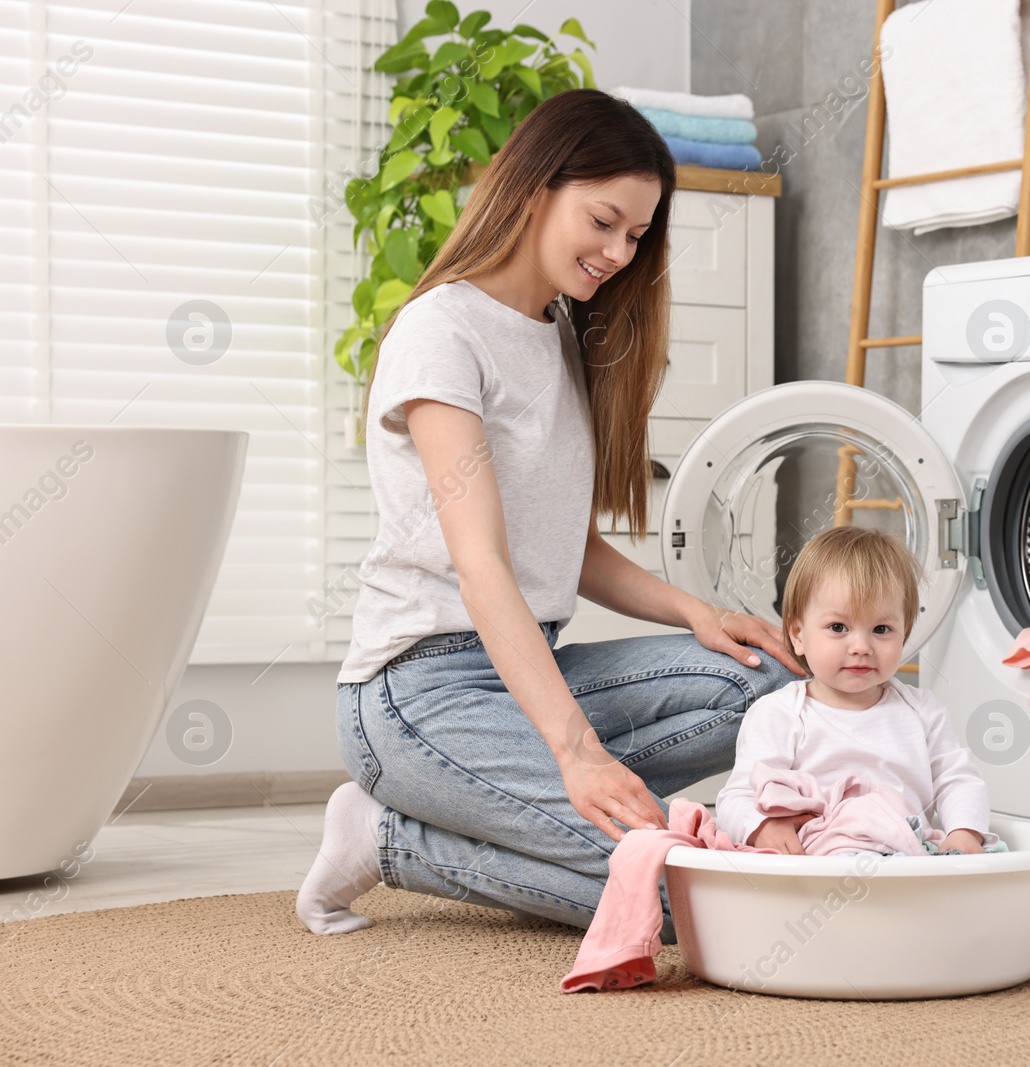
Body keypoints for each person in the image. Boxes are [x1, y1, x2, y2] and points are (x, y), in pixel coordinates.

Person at [295, 89, 802, 939]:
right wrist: (573, 752)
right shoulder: (441, 332)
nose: (618, 251)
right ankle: (387, 835)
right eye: (603, 221)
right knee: (693, 906)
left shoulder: (562, 331)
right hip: (417, 694)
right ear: (537, 188)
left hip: (534, 667)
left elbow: (567, 548)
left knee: (773, 684)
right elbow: (483, 562)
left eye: (636, 236)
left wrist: (701, 614)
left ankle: (525, 803)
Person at [714, 526, 999, 856]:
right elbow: (737, 797)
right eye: (838, 628)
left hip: (906, 853)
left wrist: (964, 832)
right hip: (816, 855)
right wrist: (764, 827)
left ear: (904, 633)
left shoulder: (922, 711)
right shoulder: (779, 713)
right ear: (797, 634)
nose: (861, 646)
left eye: (881, 629)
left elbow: (957, 780)